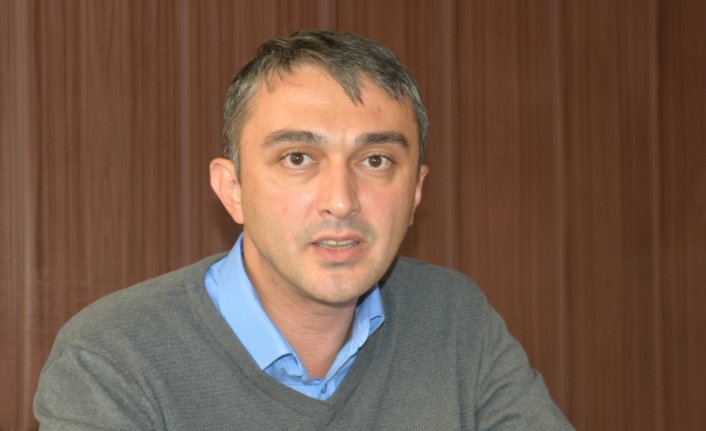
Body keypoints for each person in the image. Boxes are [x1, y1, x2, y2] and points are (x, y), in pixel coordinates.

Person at [34, 30, 573, 430]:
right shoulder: (112, 356)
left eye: (376, 161)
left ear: (415, 192)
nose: (341, 201)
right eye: (297, 158)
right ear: (232, 189)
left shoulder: (454, 319)